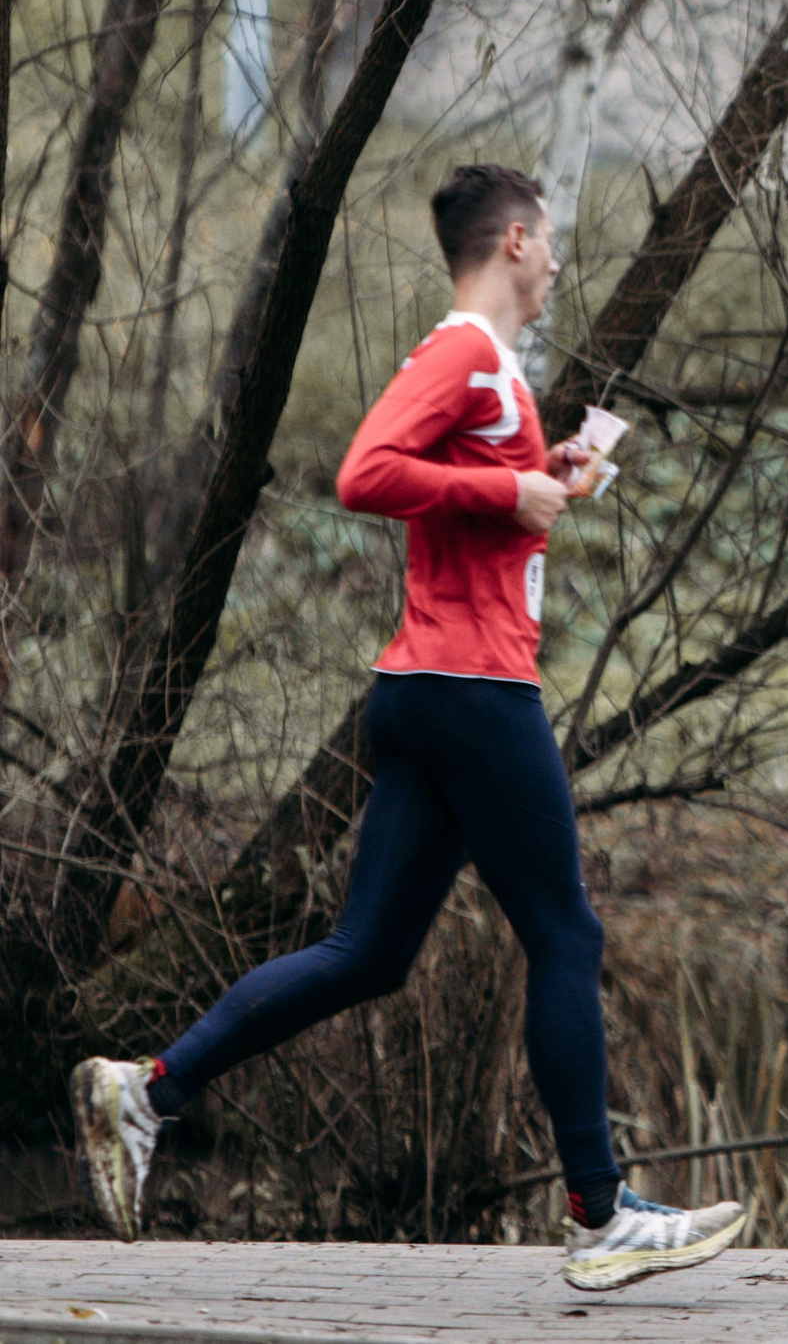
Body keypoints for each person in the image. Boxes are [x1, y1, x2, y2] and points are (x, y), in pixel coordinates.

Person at [70, 165, 743, 1291]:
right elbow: (365, 471)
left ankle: (145, 1091)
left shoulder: (491, 371)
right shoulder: (469, 352)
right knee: (567, 938)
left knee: (368, 953)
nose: (562, 264)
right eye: (554, 244)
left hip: (428, 687)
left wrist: (544, 480)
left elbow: (464, 494)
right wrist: (505, 494)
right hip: (476, 692)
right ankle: (599, 1214)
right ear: (517, 240)